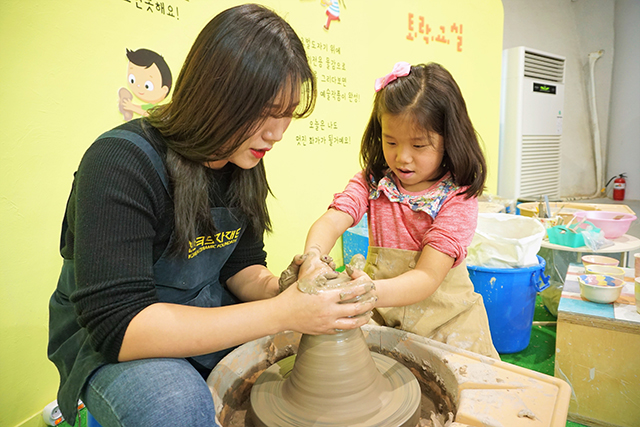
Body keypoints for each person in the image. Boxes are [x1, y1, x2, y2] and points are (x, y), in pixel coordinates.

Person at [47, 4, 375, 426]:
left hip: (199, 308)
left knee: (283, 366)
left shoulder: (243, 161)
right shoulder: (119, 162)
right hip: (109, 339)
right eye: (266, 111)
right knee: (176, 405)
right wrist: (284, 312)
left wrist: (290, 288)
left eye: (286, 114)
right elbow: (119, 327)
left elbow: (241, 268)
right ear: (215, 94)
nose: (276, 133)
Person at [301, 61, 499, 359]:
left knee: (472, 391)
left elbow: (428, 277)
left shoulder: (457, 197)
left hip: (447, 322)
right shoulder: (373, 181)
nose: (402, 157)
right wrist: (313, 257)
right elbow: (332, 220)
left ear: (449, 140)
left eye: (419, 146)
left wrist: (366, 292)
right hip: (382, 313)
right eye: (390, 141)